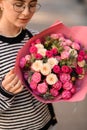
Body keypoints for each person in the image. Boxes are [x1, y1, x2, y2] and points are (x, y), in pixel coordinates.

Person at [0, 0, 57, 130]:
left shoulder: (36, 37)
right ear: (1, 3)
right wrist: (4, 93)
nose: (27, 12)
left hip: (45, 124)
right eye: (19, 5)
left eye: (32, 5)